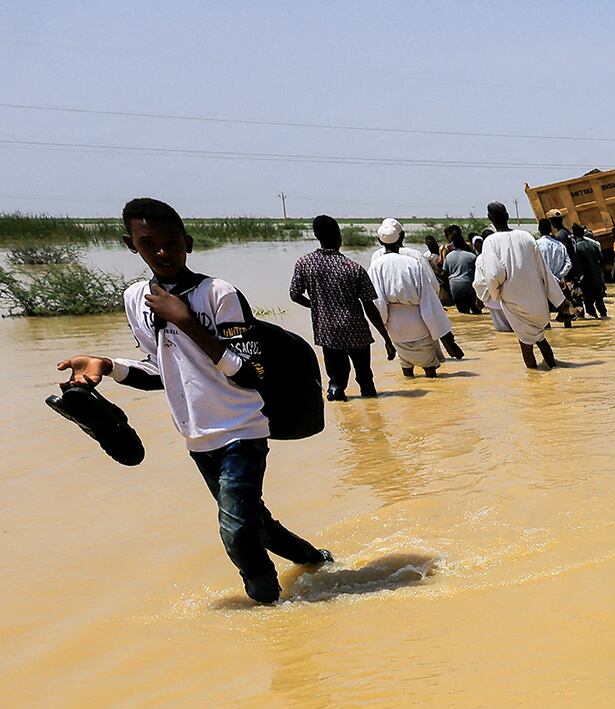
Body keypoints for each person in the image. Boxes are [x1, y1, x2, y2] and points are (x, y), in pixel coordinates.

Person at [58, 197, 331, 604]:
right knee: (255, 521)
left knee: (236, 532)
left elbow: (249, 372)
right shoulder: (136, 299)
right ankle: (317, 561)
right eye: (149, 243)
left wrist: (186, 322)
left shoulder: (218, 293)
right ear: (132, 245)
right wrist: (106, 364)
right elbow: (159, 372)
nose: (163, 252)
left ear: (188, 242)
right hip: (197, 436)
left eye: (171, 242)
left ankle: (272, 610)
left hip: (241, 429)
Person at [288, 214, 394, 402]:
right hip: (356, 331)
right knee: (365, 379)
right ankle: (375, 420)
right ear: (339, 236)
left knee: (336, 381)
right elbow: (369, 306)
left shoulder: (305, 264)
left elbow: (294, 295)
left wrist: (315, 306)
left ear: (316, 236)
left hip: (328, 331)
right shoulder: (353, 268)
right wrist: (386, 338)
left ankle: (343, 419)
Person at [366, 219, 463, 379]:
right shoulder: (412, 262)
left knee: (405, 364)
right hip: (417, 320)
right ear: (401, 237)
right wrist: (441, 331)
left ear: (379, 241)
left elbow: (378, 301)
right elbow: (429, 295)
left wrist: (385, 328)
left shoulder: (375, 265)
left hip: (394, 324)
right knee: (429, 365)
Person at [472, 201, 563, 371]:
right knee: (540, 337)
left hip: (514, 302)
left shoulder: (490, 242)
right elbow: (544, 271)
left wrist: (496, 295)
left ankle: (535, 382)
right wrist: (559, 300)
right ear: (507, 216)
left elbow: (493, 275)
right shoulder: (527, 236)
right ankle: (553, 371)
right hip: (537, 300)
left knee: (525, 343)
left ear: (489, 218)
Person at [535, 216, 577, 326]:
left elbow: (534, 266)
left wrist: (550, 277)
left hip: (542, 284)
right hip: (560, 284)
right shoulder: (560, 245)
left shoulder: (535, 246)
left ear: (539, 230)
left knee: (544, 314)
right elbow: (568, 264)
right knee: (566, 313)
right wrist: (558, 277)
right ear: (551, 229)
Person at [572, 224, 609, 319]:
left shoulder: (577, 247)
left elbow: (577, 265)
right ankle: (604, 317)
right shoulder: (593, 244)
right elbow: (601, 260)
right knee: (599, 301)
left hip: (586, 281)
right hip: (597, 278)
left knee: (588, 303)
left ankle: (595, 320)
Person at [441, 227, 481, 314]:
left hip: (454, 287)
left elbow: (443, 273)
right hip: (469, 286)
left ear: (454, 245)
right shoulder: (472, 256)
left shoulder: (448, 256)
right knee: (474, 311)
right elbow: (478, 274)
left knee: (462, 312)